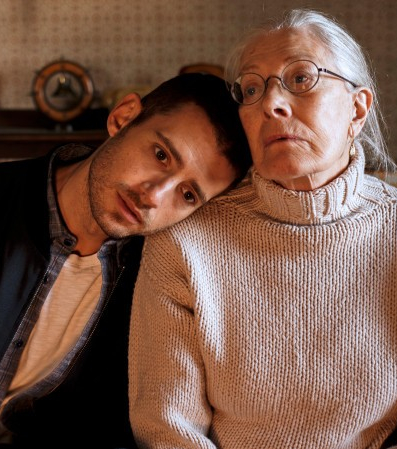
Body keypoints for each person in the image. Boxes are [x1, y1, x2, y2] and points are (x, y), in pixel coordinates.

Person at [128, 8, 397, 449]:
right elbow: (167, 428)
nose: (270, 104)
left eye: (300, 78)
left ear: (357, 109)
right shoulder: (186, 239)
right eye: (251, 89)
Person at [0, 72, 251, 449]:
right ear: (123, 117)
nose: (154, 196)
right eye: (160, 155)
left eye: (188, 194)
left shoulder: (160, 279)